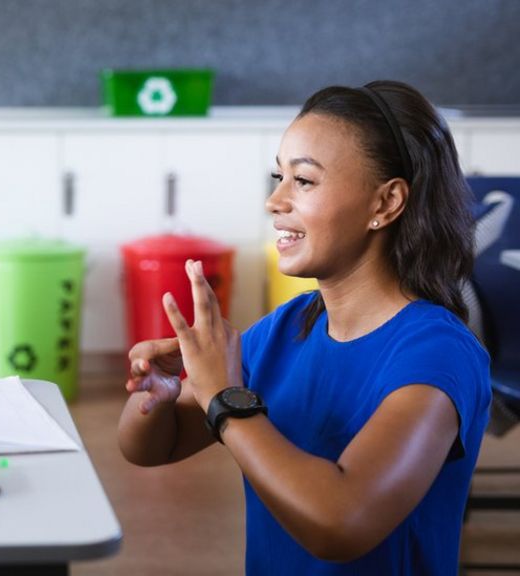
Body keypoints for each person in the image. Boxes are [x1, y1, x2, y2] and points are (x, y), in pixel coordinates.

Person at [118, 80, 490, 574]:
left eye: (304, 181)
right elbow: (152, 448)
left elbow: (342, 522)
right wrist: (160, 397)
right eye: (279, 176)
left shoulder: (437, 354)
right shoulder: (287, 329)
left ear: (385, 203)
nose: (275, 201)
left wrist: (225, 399)